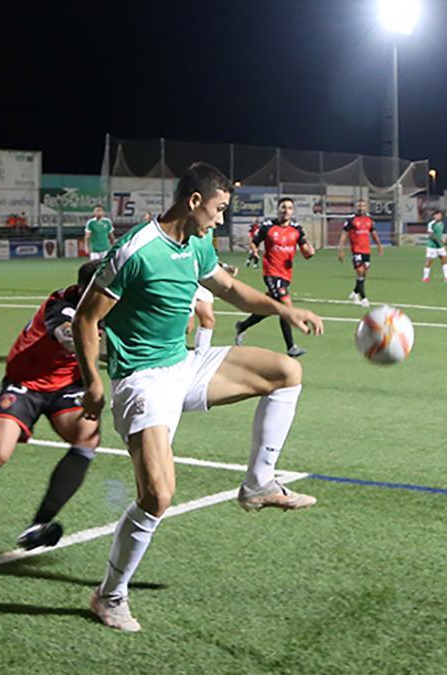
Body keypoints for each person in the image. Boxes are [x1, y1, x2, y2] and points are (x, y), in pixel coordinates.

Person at [72, 162, 324, 632]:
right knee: (157, 496)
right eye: (219, 209)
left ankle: (257, 485)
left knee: (286, 371)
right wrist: (92, 380)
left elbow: (230, 289)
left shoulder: (197, 243)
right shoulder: (137, 250)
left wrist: (285, 309)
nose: (221, 220)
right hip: (141, 381)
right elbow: (86, 318)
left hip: (183, 366)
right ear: (193, 201)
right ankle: (109, 596)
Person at [0, 261, 103, 549]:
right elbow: (68, 337)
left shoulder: (113, 306)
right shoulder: (61, 303)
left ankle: (38, 525)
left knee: (88, 435)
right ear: (85, 290)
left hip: (67, 386)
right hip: (25, 383)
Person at [234, 197, 316, 357]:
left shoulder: (297, 229)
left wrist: (310, 250)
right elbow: (254, 242)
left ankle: (242, 326)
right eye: (283, 207)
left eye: (290, 208)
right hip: (271, 273)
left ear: (293, 211)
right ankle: (291, 347)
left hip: (286, 275)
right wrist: (254, 251)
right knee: (285, 306)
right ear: (278, 209)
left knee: (269, 308)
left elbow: (307, 252)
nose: (286, 210)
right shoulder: (267, 227)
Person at [337, 199, 383, 307]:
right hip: (356, 250)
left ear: (366, 207)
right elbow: (344, 235)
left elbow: (374, 233)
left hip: (366, 250)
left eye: (362, 206)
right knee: (360, 271)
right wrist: (341, 250)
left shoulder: (369, 219)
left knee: (364, 274)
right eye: (359, 206)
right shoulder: (351, 220)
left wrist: (379, 245)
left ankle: (355, 292)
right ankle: (364, 298)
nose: (360, 208)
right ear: (356, 207)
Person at [423, 210, 447, 282]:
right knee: (429, 261)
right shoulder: (431, 224)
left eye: (440, 215)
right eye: (438, 215)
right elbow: (431, 235)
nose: (439, 216)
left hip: (440, 246)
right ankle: (425, 277)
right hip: (432, 246)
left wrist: (443, 239)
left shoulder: (441, 224)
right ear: (434, 216)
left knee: (445, 260)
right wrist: (440, 240)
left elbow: (440, 234)